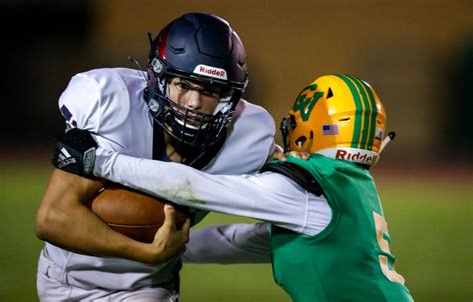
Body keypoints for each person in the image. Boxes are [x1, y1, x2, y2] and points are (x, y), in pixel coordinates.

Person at [55, 74, 414, 301]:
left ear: (312, 125)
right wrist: (167, 248)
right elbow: (238, 241)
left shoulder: (305, 190)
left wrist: (100, 162)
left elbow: (193, 186)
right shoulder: (353, 188)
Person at [35, 12, 276, 301]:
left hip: (148, 287)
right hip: (67, 280)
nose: (194, 103)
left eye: (209, 91)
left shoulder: (247, 136)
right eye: (183, 86)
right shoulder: (112, 104)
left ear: (229, 97)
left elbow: (289, 186)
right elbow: (52, 218)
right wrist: (147, 253)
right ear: (158, 79)